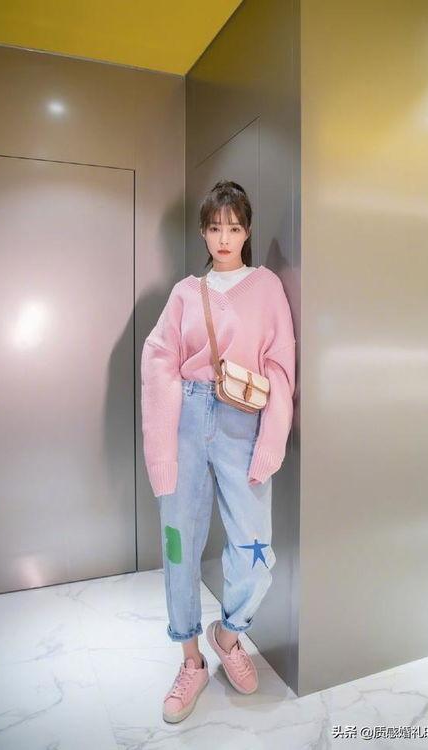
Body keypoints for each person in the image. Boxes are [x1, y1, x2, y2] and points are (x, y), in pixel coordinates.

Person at [140, 179, 296, 723]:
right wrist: (162, 452)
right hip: (186, 417)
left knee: (255, 548)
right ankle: (191, 659)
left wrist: (271, 440)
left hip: (242, 419)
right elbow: (159, 358)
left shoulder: (267, 286)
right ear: (203, 233)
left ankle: (227, 636)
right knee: (179, 542)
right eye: (214, 227)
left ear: (247, 231)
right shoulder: (187, 292)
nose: (223, 238)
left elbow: (280, 366)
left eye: (233, 227)